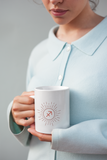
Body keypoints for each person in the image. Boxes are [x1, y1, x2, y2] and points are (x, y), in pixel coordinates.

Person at [7, 0, 107, 160]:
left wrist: (68, 138)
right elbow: (31, 126)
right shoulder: (39, 52)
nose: (55, 1)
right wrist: (17, 114)